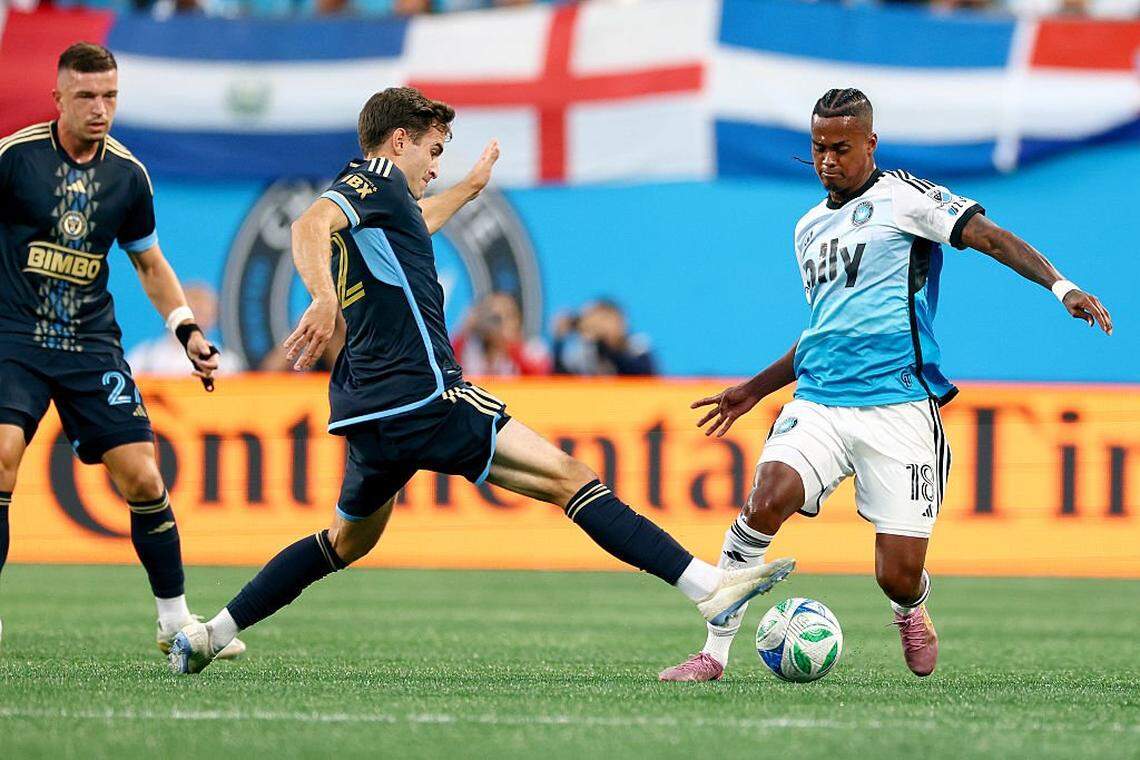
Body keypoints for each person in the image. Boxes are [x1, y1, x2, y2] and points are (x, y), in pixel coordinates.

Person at [169, 87, 795, 674]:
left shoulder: (386, 207)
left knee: (343, 543)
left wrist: (469, 188)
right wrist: (322, 298)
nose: (436, 167)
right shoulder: (375, 178)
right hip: (425, 394)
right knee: (571, 480)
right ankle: (708, 587)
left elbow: (415, 223)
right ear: (397, 143)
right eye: (433, 151)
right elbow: (308, 227)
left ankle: (211, 634)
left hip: (368, 409)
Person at [658, 88, 1112, 682]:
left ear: (869, 143)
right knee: (765, 501)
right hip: (820, 402)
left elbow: (992, 237)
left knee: (895, 573)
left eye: (841, 148)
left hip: (899, 408)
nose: (827, 160)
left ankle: (911, 609)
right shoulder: (808, 229)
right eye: (818, 148)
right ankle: (714, 653)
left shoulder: (907, 198)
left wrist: (1061, 286)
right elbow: (827, 331)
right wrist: (755, 388)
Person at [0, 43, 245, 659]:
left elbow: (148, 262)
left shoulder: (128, 176)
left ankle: (173, 620)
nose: (100, 107)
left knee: (142, 475)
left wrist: (187, 330)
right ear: (58, 98)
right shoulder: (14, 159)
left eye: (109, 95)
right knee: (1, 454)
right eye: (86, 96)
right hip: (15, 337)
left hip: (90, 344)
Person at [127, 282, 246, 376]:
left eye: (205, 313)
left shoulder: (226, 363)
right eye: (194, 312)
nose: (199, 320)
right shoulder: (144, 358)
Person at [452, 292, 550, 376]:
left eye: (507, 315)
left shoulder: (532, 350)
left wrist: (511, 346)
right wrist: (465, 330)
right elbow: (448, 367)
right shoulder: (470, 350)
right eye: (494, 318)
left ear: (518, 319)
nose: (499, 324)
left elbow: (538, 384)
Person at [553, 298, 657, 376]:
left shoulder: (636, 346)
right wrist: (559, 341)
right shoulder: (582, 351)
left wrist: (610, 345)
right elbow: (561, 378)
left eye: (604, 320)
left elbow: (643, 375)